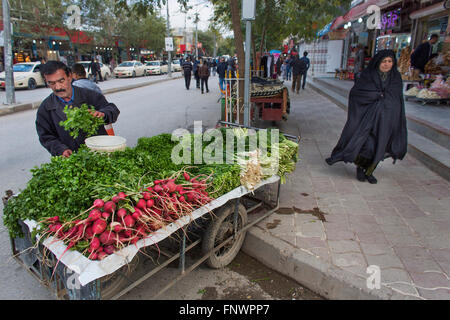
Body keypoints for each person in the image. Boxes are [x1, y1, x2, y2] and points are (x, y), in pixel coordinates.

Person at [325, 49, 407, 184]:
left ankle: (370, 172)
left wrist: (391, 112)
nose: (386, 64)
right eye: (384, 61)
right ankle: (360, 168)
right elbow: (357, 94)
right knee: (367, 145)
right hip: (367, 118)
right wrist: (375, 96)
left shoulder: (396, 78)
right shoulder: (368, 75)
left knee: (379, 146)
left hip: (386, 118)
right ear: (378, 62)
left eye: (389, 61)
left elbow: (397, 99)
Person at [36, 61, 120, 157]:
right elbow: (46, 136)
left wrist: (102, 114)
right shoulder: (46, 108)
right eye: (52, 83)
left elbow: (112, 109)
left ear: (70, 77)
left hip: (99, 153)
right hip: (72, 159)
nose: (58, 87)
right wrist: (61, 149)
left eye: (61, 81)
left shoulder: (89, 95)